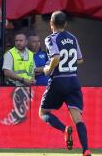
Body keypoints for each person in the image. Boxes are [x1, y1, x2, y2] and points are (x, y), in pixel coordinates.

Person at [39, 11, 91, 156]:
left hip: (59, 80)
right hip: (73, 80)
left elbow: (55, 57)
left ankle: (64, 129)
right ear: (66, 24)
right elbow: (80, 59)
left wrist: (48, 68)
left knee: (43, 112)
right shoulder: (73, 38)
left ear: (51, 24)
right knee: (78, 118)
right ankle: (86, 149)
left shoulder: (51, 38)